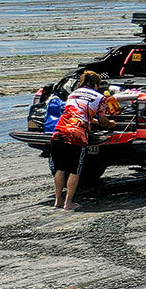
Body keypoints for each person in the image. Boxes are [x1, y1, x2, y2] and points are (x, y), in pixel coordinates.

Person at [49, 70, 118, 210]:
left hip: (59, 131)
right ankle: (69, 203)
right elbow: (103, 120)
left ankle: (58, 200)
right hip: (77, 134)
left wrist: (95, 121)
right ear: (96, 85)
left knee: (60, 169)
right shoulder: (100, 97)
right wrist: (110, 123)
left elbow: (77, 113)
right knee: (75, 170)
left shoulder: (72, 94)